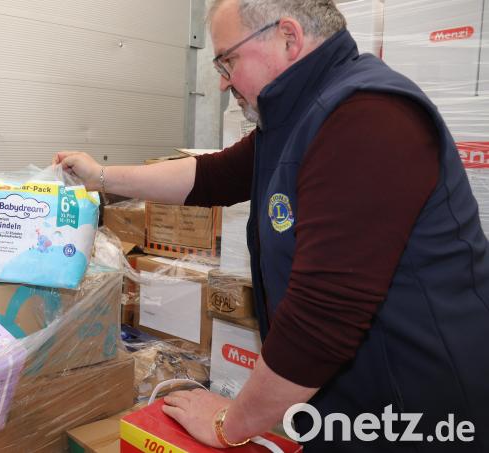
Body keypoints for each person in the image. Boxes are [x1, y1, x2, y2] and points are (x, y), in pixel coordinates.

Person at [53, 0, 489, 451]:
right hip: (353, 406)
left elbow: (322, 318)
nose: (222, 82)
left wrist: (229, 422)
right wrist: (100, 176)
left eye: (227, 60)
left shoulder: (366, 115)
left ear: (288, 37)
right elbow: (212, 175)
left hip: (418, 415)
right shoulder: (299, 117)